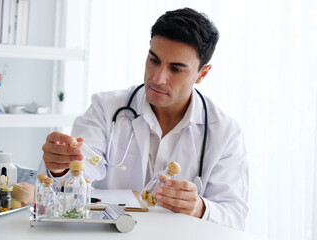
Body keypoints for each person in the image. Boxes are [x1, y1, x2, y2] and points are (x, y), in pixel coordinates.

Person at [40, 8, 248, 230]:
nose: (158, 78)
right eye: (154, 60)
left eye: (176, 69)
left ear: (202, 74)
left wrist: (199, 208)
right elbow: (77, 176)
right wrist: (60, 168)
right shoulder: (105, 109)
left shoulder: (225, 133)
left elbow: (235, 217)